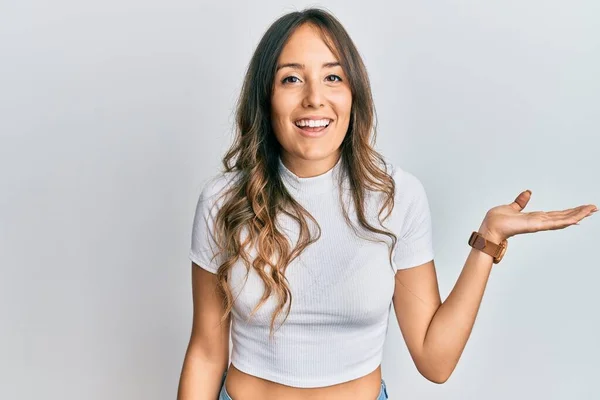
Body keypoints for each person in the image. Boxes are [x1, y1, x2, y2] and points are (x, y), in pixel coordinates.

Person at [177, 7, 597, 400]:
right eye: (290, 79)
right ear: (264, 98)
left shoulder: (397, 197)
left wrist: (487, 241)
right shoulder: (224, 201)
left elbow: (435, 360)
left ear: (354, 94)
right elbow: (206, 352)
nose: (314, 99)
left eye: (333, 78)